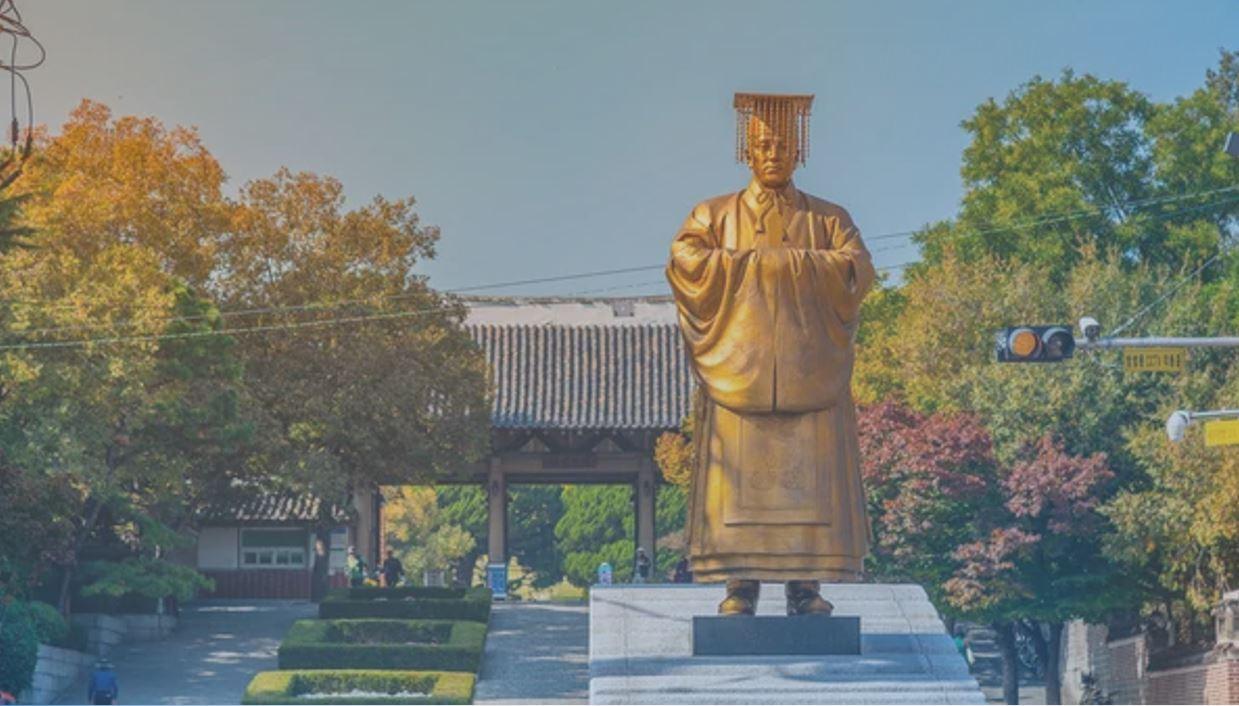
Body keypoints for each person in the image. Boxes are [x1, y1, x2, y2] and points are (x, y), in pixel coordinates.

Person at [666, 93, 875, 617]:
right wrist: (757, 267)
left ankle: (806, 585)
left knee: (812, 481)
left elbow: (857, 268)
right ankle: (740, 585)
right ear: (747, 151)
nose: (773, 154)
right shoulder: (713, 214)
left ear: (799, 151)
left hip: (810, 367)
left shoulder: (829, 218)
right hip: (739, 369)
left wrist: (784, 265)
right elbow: (685, 260)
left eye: (783, 145)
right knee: (736, 476)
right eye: (763, 145)